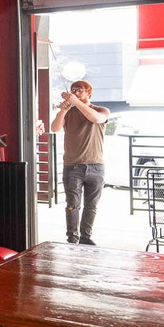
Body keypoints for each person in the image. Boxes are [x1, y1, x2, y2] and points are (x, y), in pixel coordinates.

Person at [50, 79, 110, 245]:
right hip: (72, 166)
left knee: (91, 205)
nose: (75, 93)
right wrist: (62, 111)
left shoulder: (101, 110)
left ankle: (86, 237)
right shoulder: (69, 112)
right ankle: (72, 238)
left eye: (80, 90)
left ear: (88, 93)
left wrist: (76, 101)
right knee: (72, 205)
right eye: (73, 90)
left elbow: (97, 119)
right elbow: (54, 128)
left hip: (96, 166)